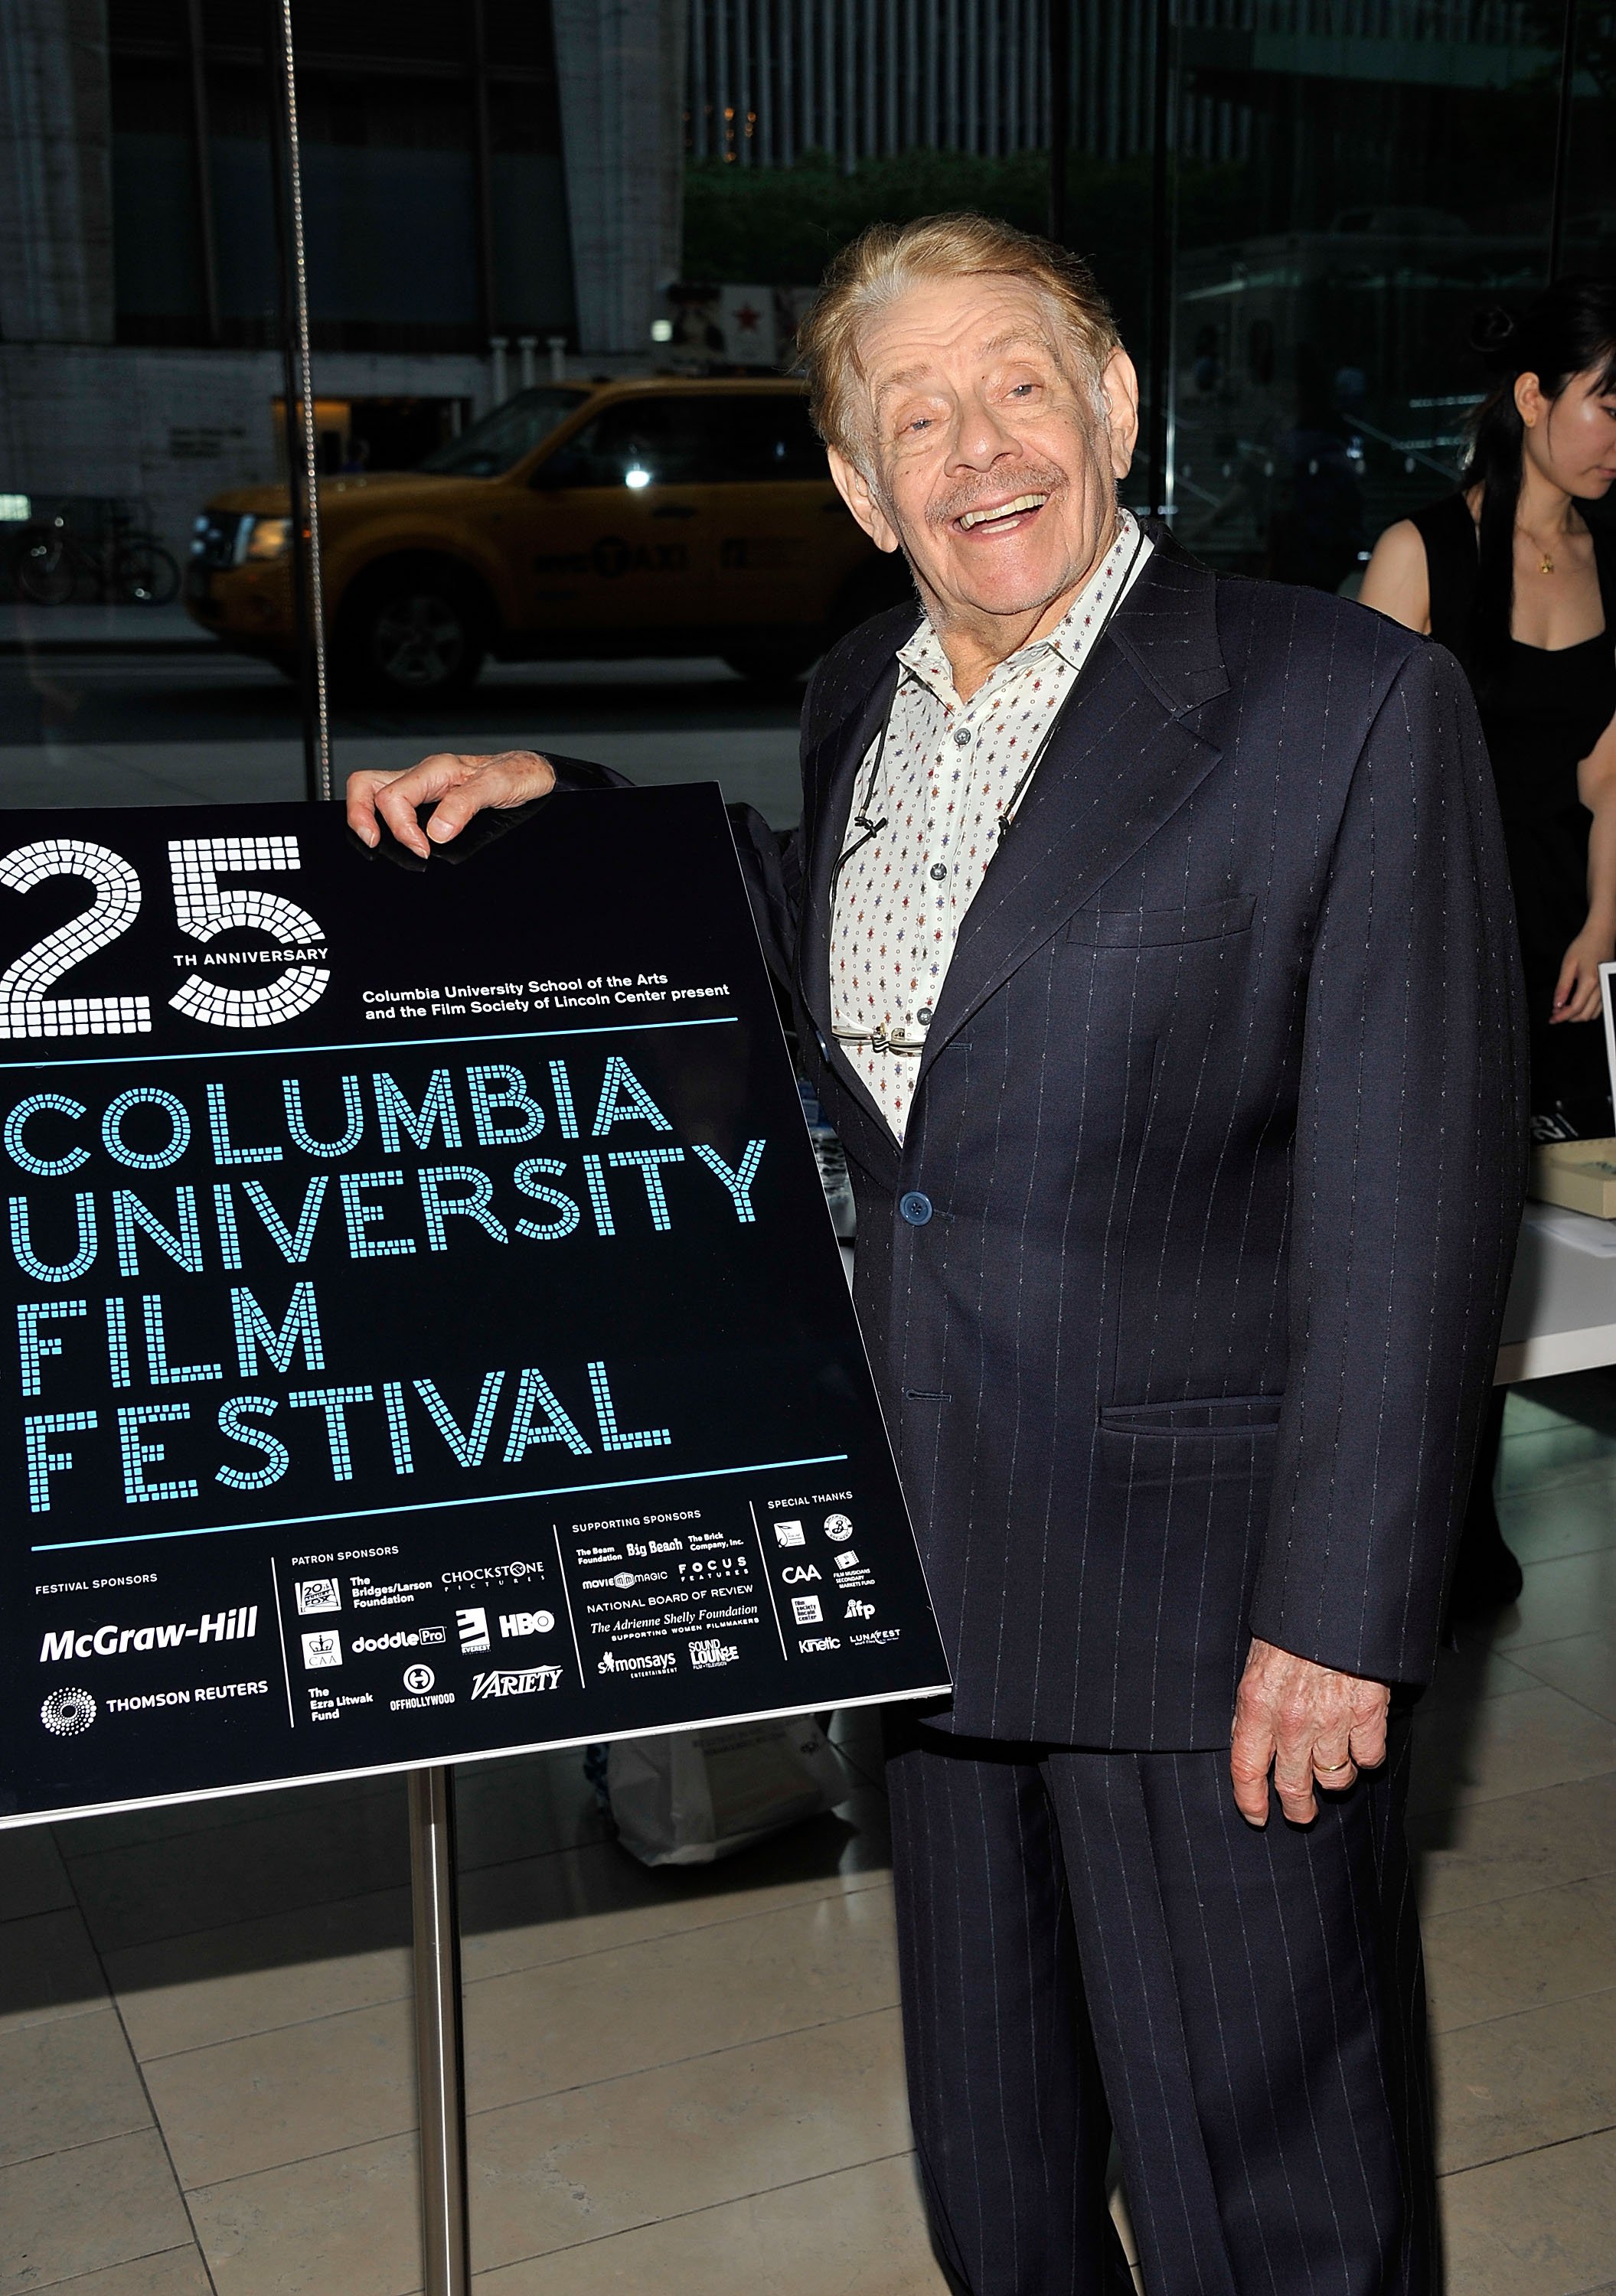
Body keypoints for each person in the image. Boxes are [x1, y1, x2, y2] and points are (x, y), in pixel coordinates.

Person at [348, 214, 1526, 2296]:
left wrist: (1342, 1614)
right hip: (929, 1575)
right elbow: (867, 960)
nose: (977, 447)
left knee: (1272, 2199)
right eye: (913, 413)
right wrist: (568, 814)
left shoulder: (1343, 708)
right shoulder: (853, 703)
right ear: (855, 482)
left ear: (1115, 408)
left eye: (1016, 385)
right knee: (995, 2167)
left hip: (1206, 1618)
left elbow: (1414, 1198)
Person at [1360, 279, 1616, 1613]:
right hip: (1434, 942)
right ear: (1534, 400)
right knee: (1436, 1243)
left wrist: (1602, 925)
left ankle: (1479, 1498)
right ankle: (1434, 1524)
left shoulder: (1609, 555)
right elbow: (1352, 776)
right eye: (1608, 397)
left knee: (1548, 1234)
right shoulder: (1423, 552)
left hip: (1565, 940)